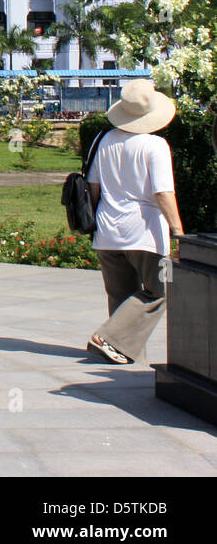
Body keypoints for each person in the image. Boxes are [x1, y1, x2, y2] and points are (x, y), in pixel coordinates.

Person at [85, 79, 184, 365]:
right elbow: (163, 193)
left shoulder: (102, 140)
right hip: (145, 233)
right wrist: (178, 231)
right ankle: (110, 339)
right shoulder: (156, 146)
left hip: (107, 230)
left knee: (120, 293)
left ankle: (122, 351)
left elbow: (93, 187)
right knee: (162, 289)